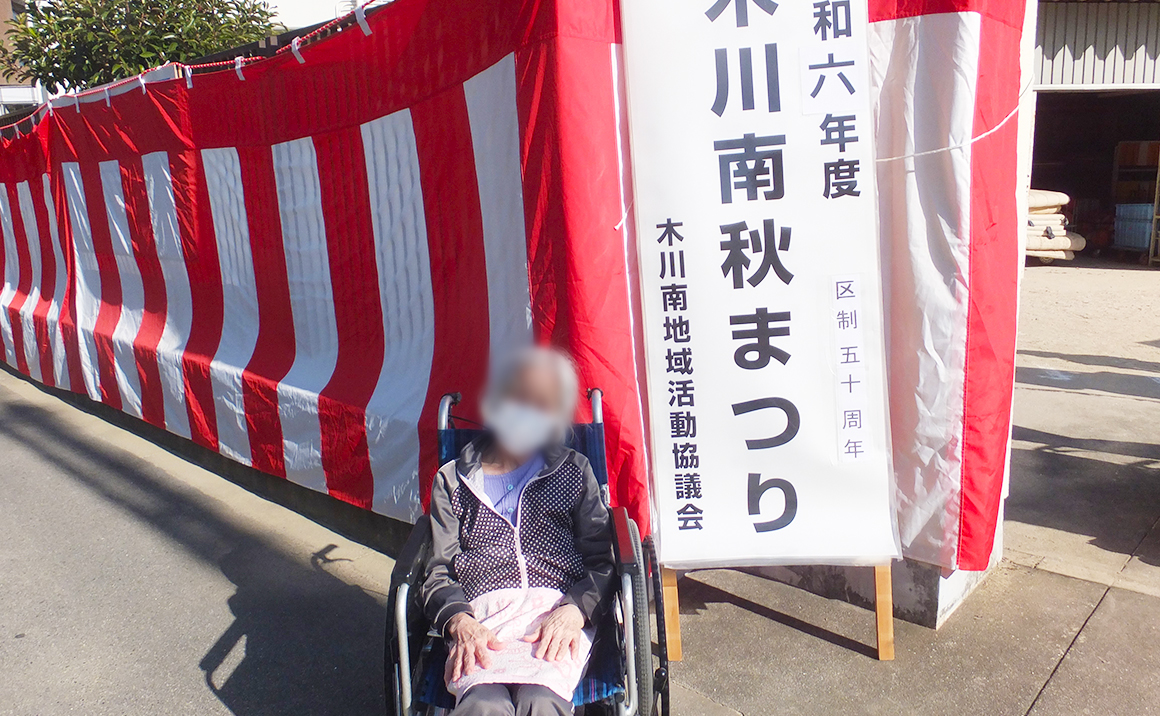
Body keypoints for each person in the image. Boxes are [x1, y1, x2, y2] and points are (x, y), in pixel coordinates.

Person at [422, 346, 616, 716]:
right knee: (484, 705)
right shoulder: (453, 480)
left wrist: (576, 610)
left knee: (540, 700)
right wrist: (459, 620)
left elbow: (603, 559)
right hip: (481, 621)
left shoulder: (574, 471)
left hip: (555, 616)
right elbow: (437, 570)